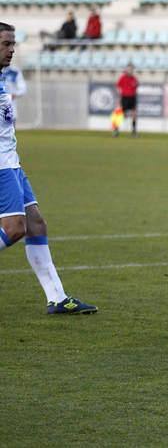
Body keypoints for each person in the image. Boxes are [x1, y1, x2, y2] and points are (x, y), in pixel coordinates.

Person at [0, 22, 97, 314]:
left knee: (36, 224)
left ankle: (56, 298)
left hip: (11, 163)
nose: (12, 49)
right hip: (1, 167)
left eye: (13, 44)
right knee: (14, 229)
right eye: (6, 44)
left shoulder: (3, 80)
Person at [115, 63, 138, 137]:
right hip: (124, 97)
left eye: (131, 69)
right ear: (126, 70)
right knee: (121, 114)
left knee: (134, 114)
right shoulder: (123, 78)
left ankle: (134, 132)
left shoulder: (134, 78)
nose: (130, 70)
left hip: (132, 98)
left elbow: (136, 87)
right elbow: (118, 87)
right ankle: (116, 130)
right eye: (129, 69)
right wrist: (119, 98)